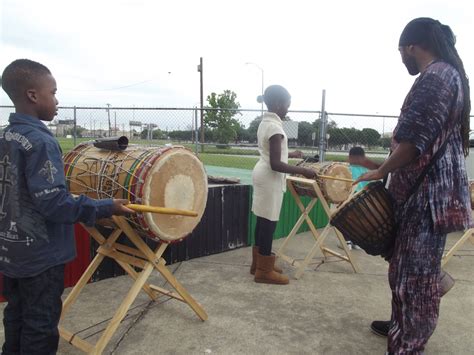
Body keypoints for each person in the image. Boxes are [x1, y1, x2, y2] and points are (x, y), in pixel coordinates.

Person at [0, 59, 135, 354]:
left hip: (12, 253)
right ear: (33, 95)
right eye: (54, 92)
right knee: (40, 327)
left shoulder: (4, 136)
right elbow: (54, 204)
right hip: (41, 257)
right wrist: (104, 207)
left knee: (16, 317)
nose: (57, 101)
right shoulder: (40, 141)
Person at [355, 18, 471, 354]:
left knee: (415, 284)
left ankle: (408, 345)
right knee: (408, 274)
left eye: (400, 51)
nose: (401, 58)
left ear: (410, 47)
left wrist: (381, 172)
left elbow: (413, 141)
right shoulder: (445, 75)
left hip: (427, 202)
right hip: (425, 198)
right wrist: (381, 167)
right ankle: (400, 330)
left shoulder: (436, 76)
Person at [250, 85, 316, 285]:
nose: (288, 108)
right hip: (270, 177)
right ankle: (264, 271)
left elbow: (272, 153)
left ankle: (259, 264)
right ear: (278, 104)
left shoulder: (266, 123)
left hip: (261, 174)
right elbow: (276, 164)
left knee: (262, 220)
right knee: (269, 223)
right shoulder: (276, 127)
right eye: (287, 105)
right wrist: (304, 171)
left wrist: (292, 154)